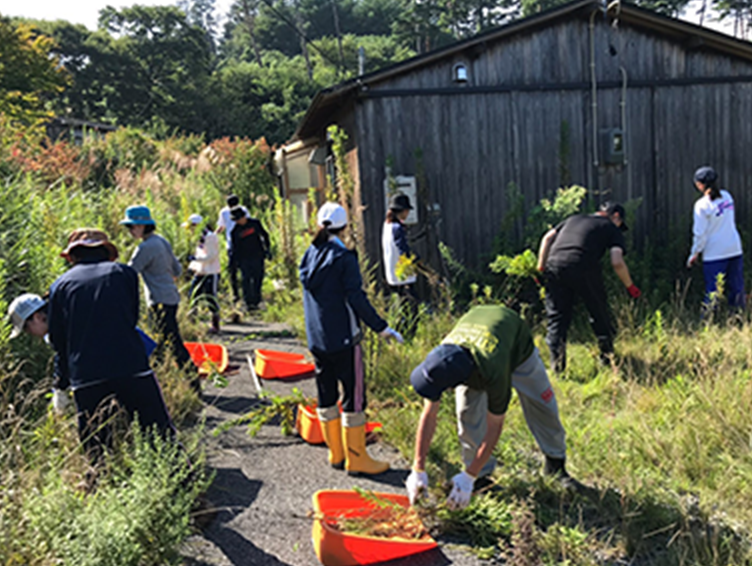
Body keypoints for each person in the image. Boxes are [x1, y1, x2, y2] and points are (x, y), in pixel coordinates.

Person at [406, 305, 570, 509]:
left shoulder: (494, 371)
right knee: (467, 414)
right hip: (476, 333)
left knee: (542, 404)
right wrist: (418, 469)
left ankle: (556, 463)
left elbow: (495, 427)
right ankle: (481, 479)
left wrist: (468, 477)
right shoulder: (442, 357)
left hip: (516, 344)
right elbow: (429, 414)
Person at [46, 228, 175, 465]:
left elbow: (59, 341)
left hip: (86, 375)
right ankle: (183, 485)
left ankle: (97, 485)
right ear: (106, 252)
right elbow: (131, 318)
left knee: (96, 445)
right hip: (132, 365)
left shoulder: (60, 286)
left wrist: (60, 384)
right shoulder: (124, 274)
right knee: (158, 433)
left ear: (73, 256)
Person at [299, 202, 404, 475]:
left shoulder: (309, 254)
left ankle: (336, 454)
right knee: (354, 397)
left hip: (318, 340)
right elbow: (356, 298)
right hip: (345, 338)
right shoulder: (344, 258)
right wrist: (382, 327)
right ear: (344, 227)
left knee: (326, 394)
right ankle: (357, 459)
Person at [536, 202, 641, 372]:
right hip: (584, 266)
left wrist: (541, 267)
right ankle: (607, 359)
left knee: (557, 318)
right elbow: (617, 262)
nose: (619, 227)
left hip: (554, 265)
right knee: (598, 311)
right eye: (620, 223)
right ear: (615, 216)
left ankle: (557, 367)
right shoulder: (610, 227)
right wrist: (630, 286)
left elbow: (547, 238)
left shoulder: (573, 219)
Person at [120, 205, 199, 392]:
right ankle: (163, 381)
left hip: (159, 300)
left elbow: (130, 273)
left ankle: (191, 379)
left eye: (132, 226)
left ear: (142, 226)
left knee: (171, 342)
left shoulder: (145, 247)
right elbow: (177, 270)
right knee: (164, 342)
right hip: (171, 297)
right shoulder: (161, 241)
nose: (130, 231)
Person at [686, 166, 745, 310]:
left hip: (715, 253)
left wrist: (695, 253)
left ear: (700, 185)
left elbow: (700, 234)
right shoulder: (727, 196)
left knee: (713, 291)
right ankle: (739, 318)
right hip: (734, 248)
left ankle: (708, 321)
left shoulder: (701, 205)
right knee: (737, 288)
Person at [184, 213, 221, 333]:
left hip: (211, 272)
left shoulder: (210, 237)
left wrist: (195, 260)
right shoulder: (198, 238)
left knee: (211, 298)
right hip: (199, 271)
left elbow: (211, 256)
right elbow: (199, 255)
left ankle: (215, 324)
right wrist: (191, 267)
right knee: (193, 297)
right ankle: (192, 323)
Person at [230, 206, 271, 311]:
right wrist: (235, 262)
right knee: (246, 279)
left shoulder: (255, 224)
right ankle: (249, 303)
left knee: (258, 278)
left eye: (239, 219)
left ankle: (257, 300)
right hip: (244, 258)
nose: (238, 221)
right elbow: (235, 248)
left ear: (243, 216)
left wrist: (268, 249)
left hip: (258, 255)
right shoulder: (235, 231)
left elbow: (265, 235)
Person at [216, 194, 250, 304]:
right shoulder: (224, 212)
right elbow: (222, 226)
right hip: (231, 244)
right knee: (233, 270)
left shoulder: (243, 210)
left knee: (245, 269)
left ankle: (247, 293)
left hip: (244, 243)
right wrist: (214, 235)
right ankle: (236, 293)